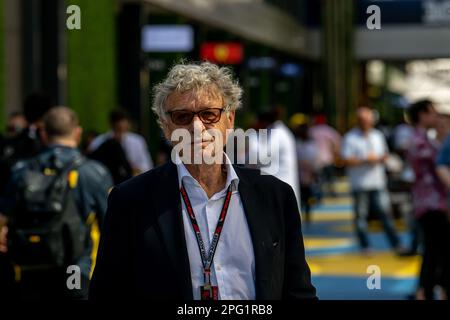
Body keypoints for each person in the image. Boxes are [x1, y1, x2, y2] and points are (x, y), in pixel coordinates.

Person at [89, 61, 316, 300]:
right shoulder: (130, 201)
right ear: (166, 128)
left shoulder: (275, 196)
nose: (197, 127)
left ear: (229, 120)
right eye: (182, 116)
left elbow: (298, 291)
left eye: (209, 114)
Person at [0, 106, 113, 299]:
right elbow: (112, 227)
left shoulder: (22, 171)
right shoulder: (93, 172)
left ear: (43, 134)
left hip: (30, 268)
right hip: (76, 270)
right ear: (78, 133)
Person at [341, 106, 402, 254]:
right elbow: (345, 160)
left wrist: (379, 159)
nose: (365, 123)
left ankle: (396, 244)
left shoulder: (377, 136)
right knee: (361, 218)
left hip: (377, 182)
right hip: (359, 184)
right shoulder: (350, 138)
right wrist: (365, 160)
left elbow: (385, 155)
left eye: (368, 120)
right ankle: (365, 246)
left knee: (385, 215)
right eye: (362, 120)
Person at [407, 100, 449, 300]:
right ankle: (426, 290)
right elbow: (439, 162)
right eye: (432, 113)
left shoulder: (423, 139)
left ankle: (425, 289)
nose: (436, 116)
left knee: (434, 249)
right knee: (435, 249)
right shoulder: (419, 140)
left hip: (433, 201)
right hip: (430, 202)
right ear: (422, 115)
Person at [88, 110, 153, 176]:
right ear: (111, 125)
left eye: (122, 128)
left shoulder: (137, 141)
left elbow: (147, 166)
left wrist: (135, 170)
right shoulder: (98, 142)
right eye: (117, 128)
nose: (120, 133)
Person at [310, 114, 341, 198]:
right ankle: (333, 193)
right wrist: (336, 153)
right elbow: (337, 141)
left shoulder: (312, 131)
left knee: (318, 179)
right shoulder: (328, 130)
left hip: (316, 159)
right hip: (328, 158)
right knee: (330, 177)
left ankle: (318, 194)